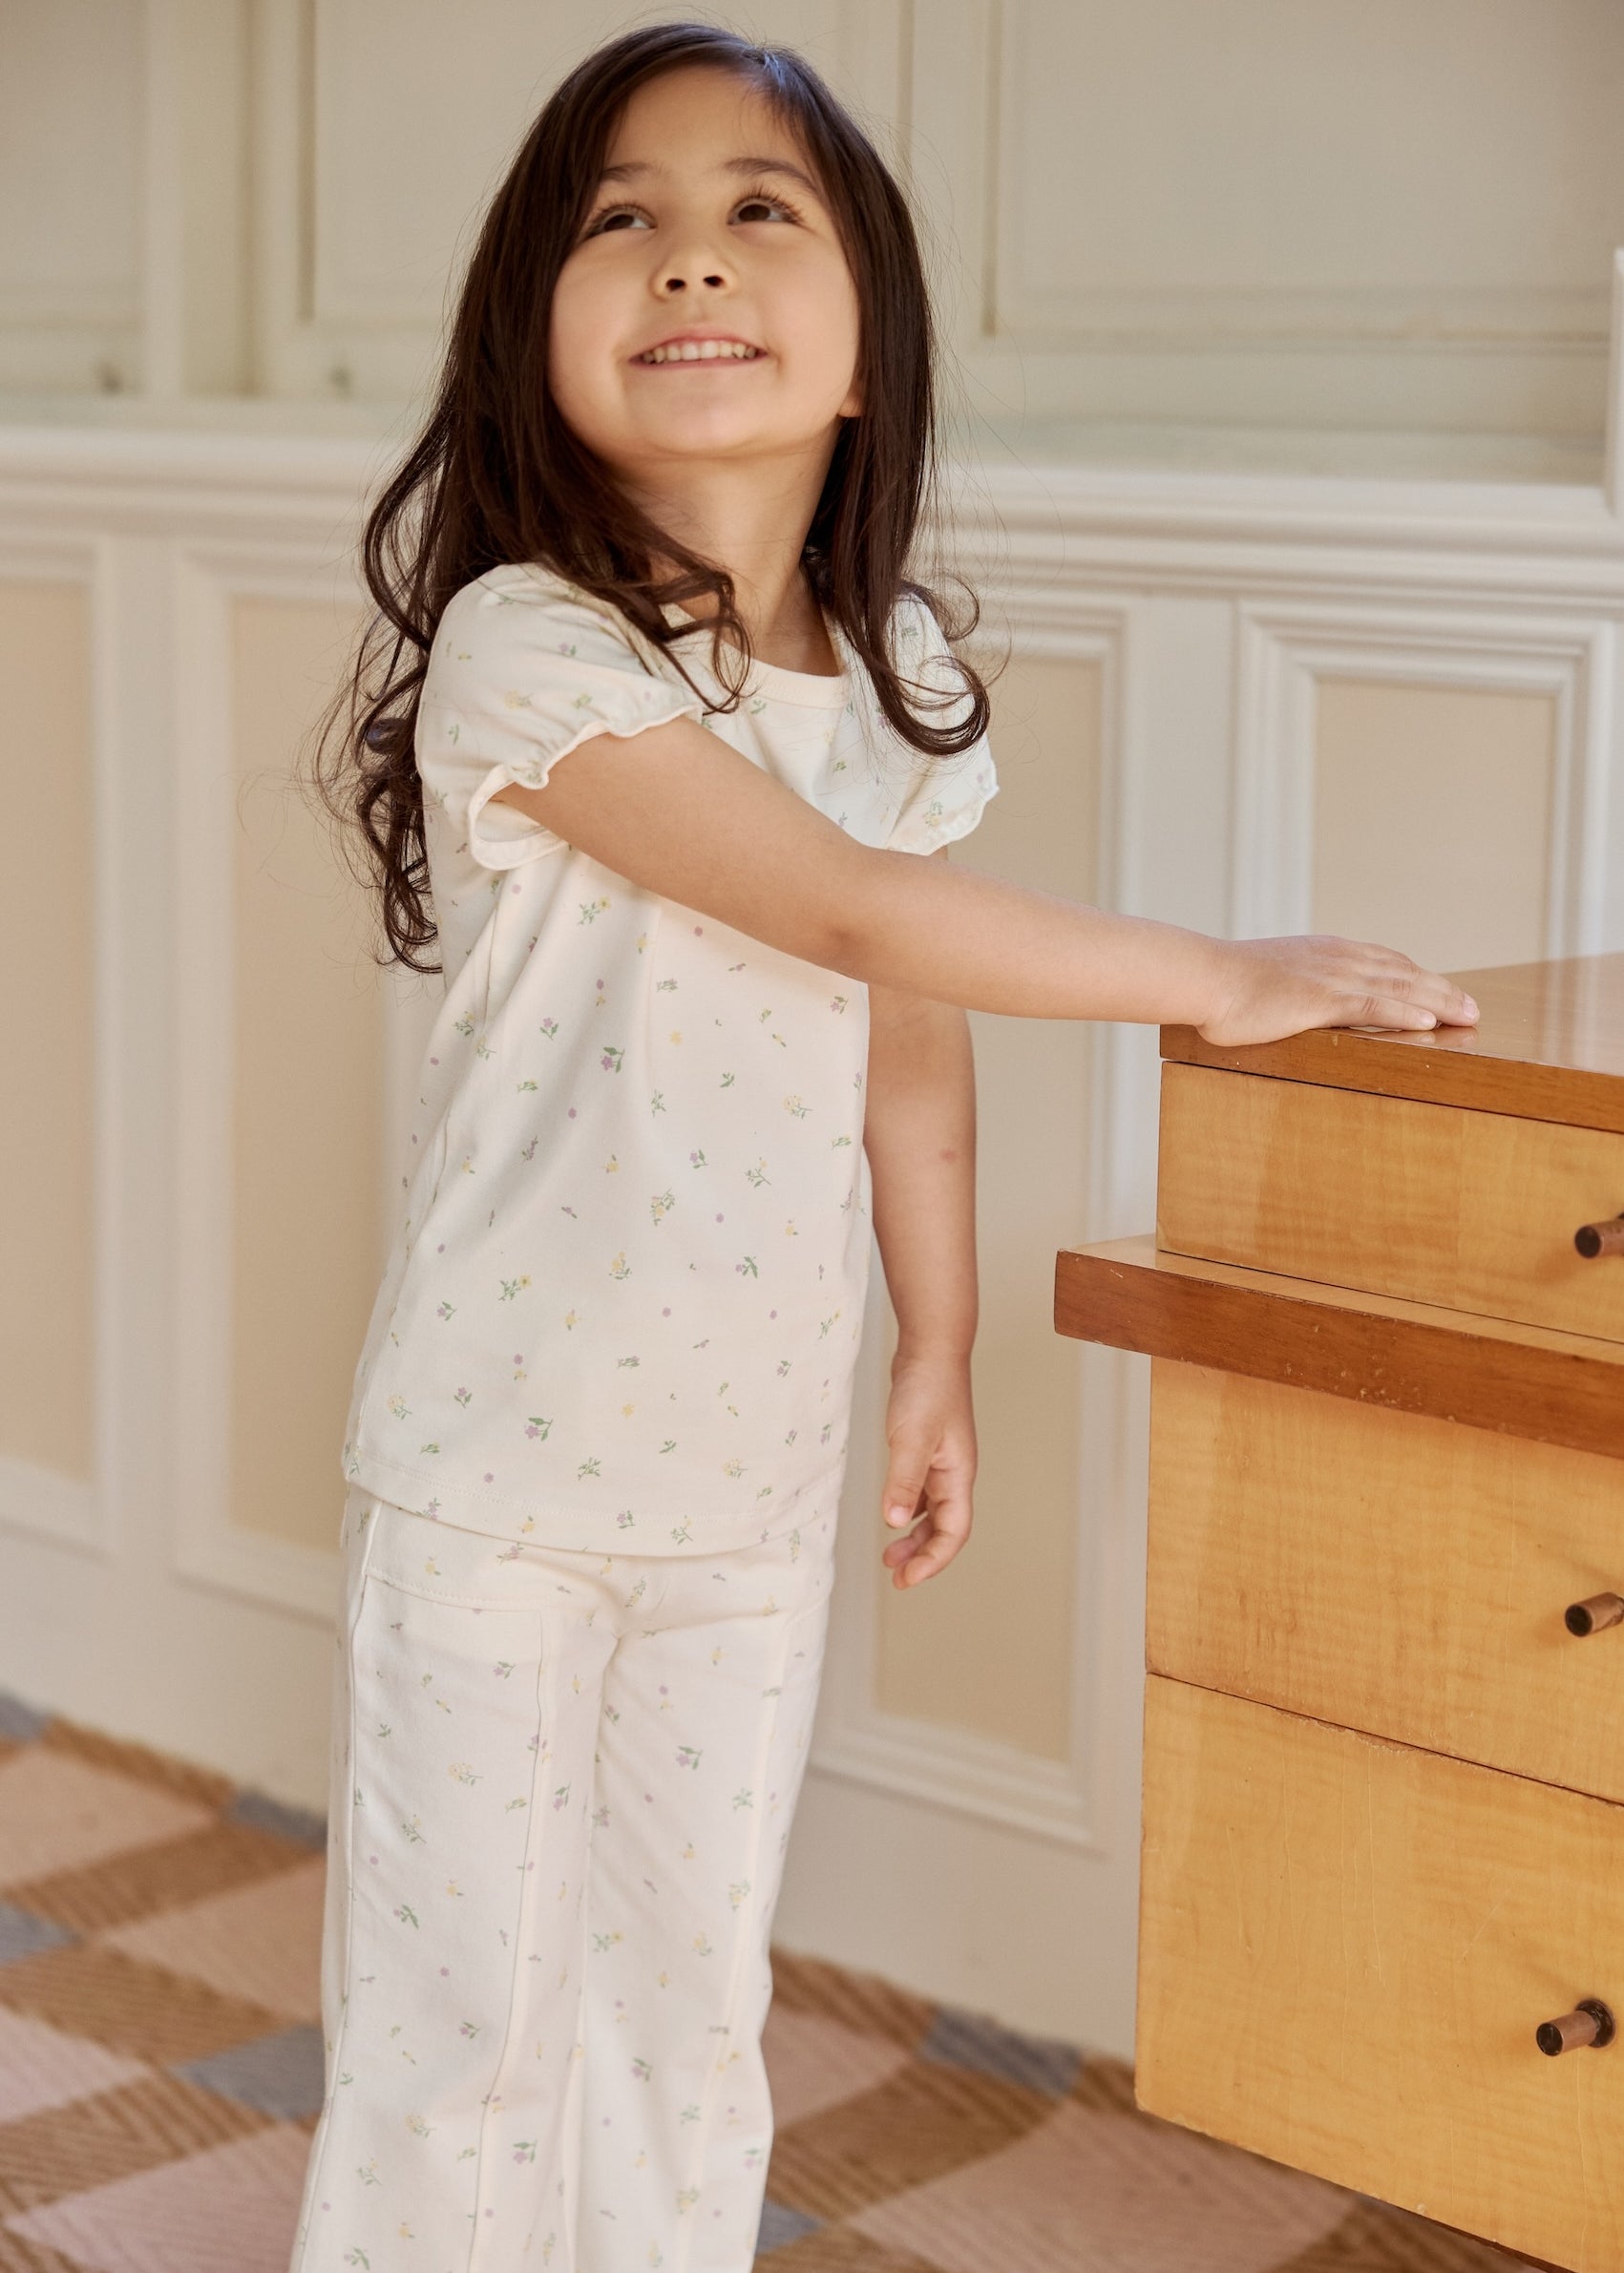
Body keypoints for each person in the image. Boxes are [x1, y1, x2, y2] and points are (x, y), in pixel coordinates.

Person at [289, 20, 1477, 2271]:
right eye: (619, 220)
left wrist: (934, 1348)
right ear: (529, 336)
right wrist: (1208, 973)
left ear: (864, 357)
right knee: (465, 2032)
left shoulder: (887, 664)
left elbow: (898, 1039)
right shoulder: (529, 643)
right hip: (494, 1470)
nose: (688, 258)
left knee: (680, 2005)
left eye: (758, 212)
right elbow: (839, 907)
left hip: (747, 1471)